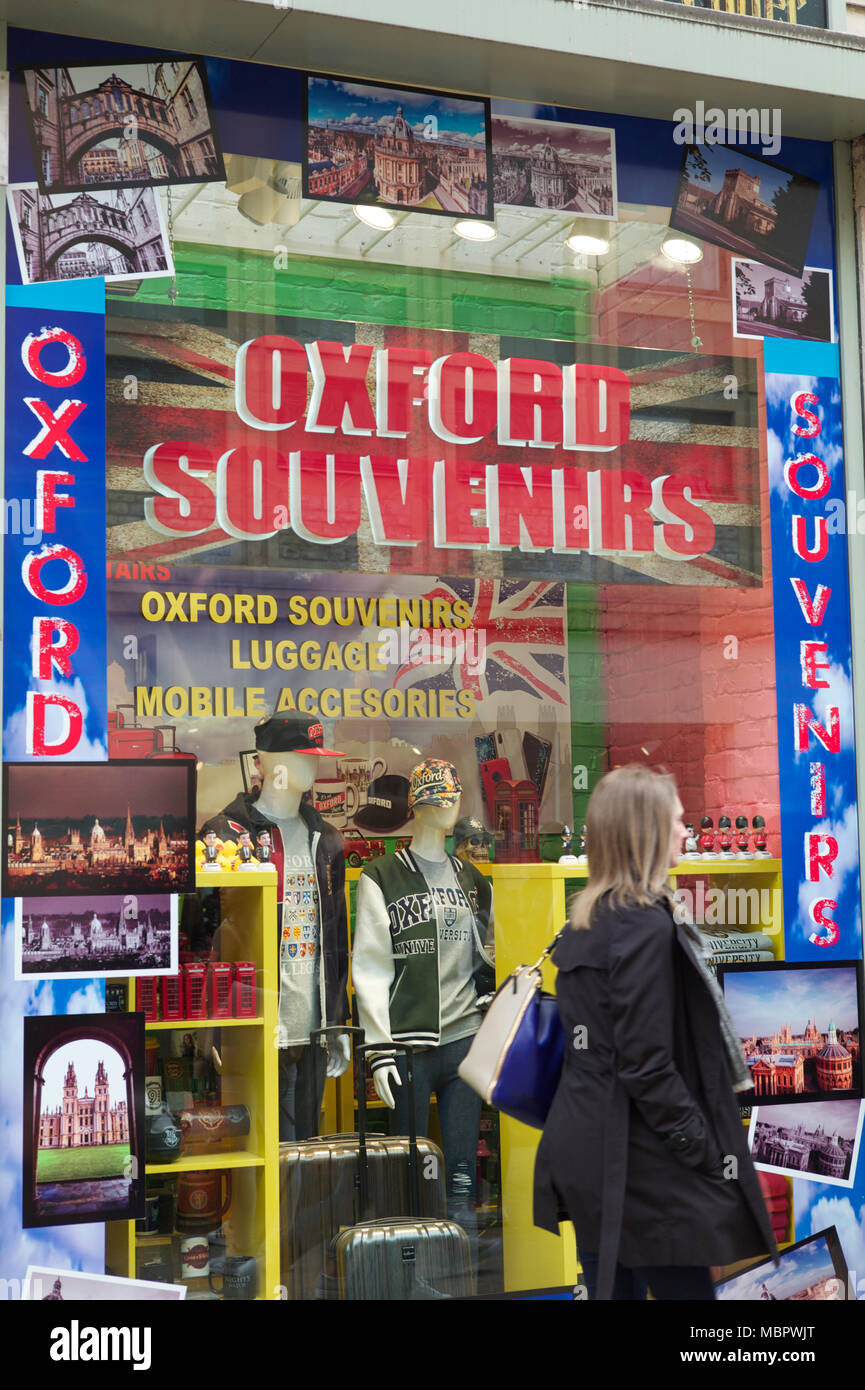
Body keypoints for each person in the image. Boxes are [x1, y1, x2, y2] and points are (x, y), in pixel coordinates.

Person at [534, 764, 778, 1301]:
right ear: (645, 832)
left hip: (591, 1149)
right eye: (676, 821)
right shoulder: (644, 927)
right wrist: (707, 1150)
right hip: (639, 1159)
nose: (686, 832)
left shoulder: (586, 921)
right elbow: (646, 1063)